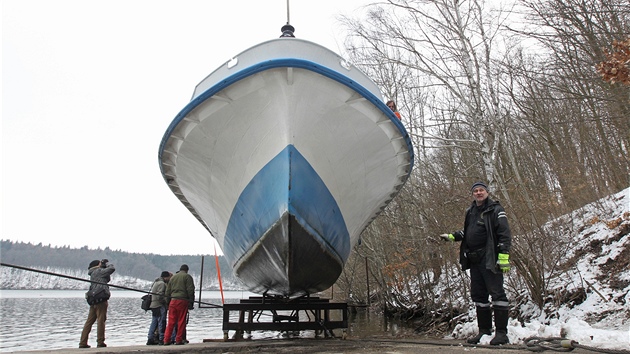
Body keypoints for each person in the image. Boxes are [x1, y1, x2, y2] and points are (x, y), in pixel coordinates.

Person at [439, 181, 512, 345]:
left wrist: (504, 257)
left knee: (497, 294)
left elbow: (504, 233)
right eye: (476, 191)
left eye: (481, 190)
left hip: (490, 257)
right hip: (474, 260)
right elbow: (468, 231)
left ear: (487, 192)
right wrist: (452, 237)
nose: (479, 193)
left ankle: (501, 333)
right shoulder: (470, 212)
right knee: (479, 296)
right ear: (472, 194)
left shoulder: (495, 210)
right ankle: (484, 331)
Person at [79, 259, 115, 349]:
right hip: (101, 299)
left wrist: (102, 266)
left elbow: (107, 278)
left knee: (89, 321)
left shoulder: (92, 273)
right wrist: (106, 264)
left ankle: (82, 342)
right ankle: (100, 341)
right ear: (97, 265)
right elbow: (112, 269)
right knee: (101, 320)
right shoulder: (98, 271)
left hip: (93, 299)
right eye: (100, 264)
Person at [163, 264, 195, 345]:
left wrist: (167, 302)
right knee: (181, 321)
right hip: (182, 301)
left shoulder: (173, 277)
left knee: (171, 321)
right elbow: (190, 290)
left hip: (173, 301)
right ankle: (178, 340)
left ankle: (166, 340)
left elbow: (167, 292)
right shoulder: (187, 277)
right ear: (187, 270)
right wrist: (191, 303)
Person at [146, 271, 171, 345]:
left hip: (153, 305)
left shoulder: (156, 282)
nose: (169, 279)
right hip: (159, 305)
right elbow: (159, 296)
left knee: (154, 322)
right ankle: (161, 339)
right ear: (165, 277)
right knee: (161, 322)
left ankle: (150, 338)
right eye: (168, 278)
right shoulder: (162, 284)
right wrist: (164, 302)